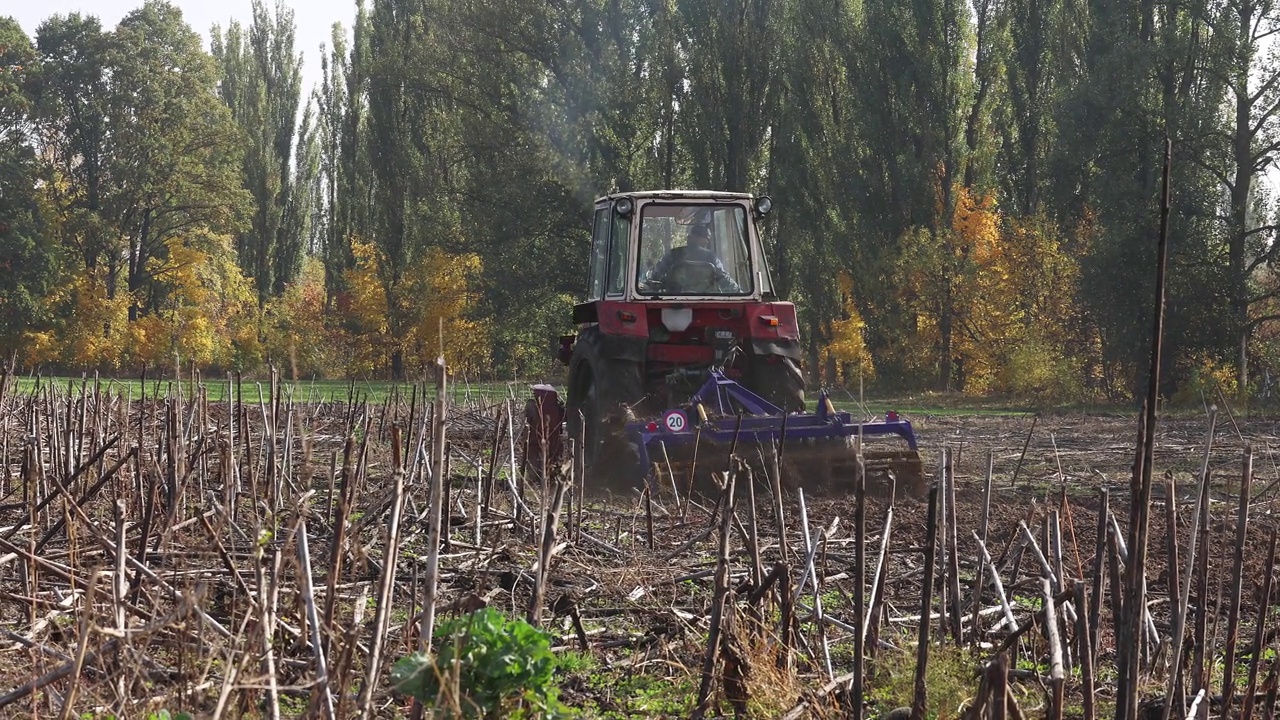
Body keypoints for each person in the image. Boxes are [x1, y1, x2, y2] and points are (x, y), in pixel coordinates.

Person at [641, 223, 741, 293]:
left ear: (689, 238)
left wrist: (647, 283)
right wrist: (739, 292)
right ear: (706, 241)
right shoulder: (711, 257)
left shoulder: (674, 254)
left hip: (674, 300)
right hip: (706, 301)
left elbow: (657, 274)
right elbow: (724, 279)